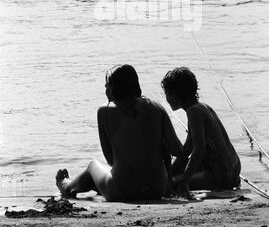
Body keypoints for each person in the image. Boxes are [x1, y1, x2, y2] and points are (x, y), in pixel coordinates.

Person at [56, 64, 182, 201]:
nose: (105, 90)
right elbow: (177, 150)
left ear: (113, 88)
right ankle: (88, 186)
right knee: (100, 177)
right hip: (158, 190)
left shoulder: (104, 111)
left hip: (122, 191)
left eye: (106, 85)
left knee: (93, 165)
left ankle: (67, 186)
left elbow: (110, 159)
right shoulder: (157, 107)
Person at [161, 67, 241, 195]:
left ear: (178, 94)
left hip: (221, 174)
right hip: (234, 167)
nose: (167, 98)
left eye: (168, 94)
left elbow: (199, 150)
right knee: (171, 175)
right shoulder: (201, 107)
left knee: (172, 184)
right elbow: (188, 148)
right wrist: (170, 171)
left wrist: (183, 181)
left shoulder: (194, 112)